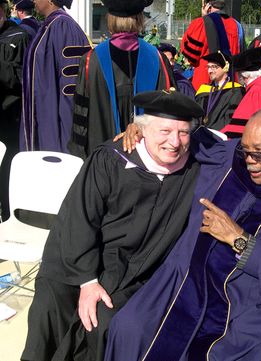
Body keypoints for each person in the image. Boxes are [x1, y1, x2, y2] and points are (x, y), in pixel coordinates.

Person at [104, 107, 261, 361]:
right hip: (185, 282)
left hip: (247, 308)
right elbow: (188, 141)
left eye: (259, 155)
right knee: (128, 328)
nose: (249, 161)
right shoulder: (232, 158)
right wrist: (146, 129)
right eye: (246, 150)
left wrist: (241, 240)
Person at [21, 89, 204, 361]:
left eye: (183, 132)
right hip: (80, 257)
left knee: (102, 320)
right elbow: (79, 218)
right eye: (164, 131)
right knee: (49, 306)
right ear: (142, 130)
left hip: (140, 269)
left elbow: (230, 143)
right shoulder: (111, 160)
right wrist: (87, 280)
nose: (174, 142)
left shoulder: (195, 169)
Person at [68, 0, 175, 160]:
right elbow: (170, 110)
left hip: (102, 164)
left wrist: (81, 160)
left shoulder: (92, 61)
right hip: (148, 163)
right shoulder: (158, 59)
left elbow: (81, 119)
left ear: (110, 20)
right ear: (140, 19)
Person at [19, 0, 92, 153]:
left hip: (56, 130)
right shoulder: (48, 25)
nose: (33, 0)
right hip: (43, 116)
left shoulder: (64, 27)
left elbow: (71, 89)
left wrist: (67, 141)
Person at [0, 0, 29, 220]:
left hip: (9, 119)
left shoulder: (18, 37)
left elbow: (22, 79)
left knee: (7, 173)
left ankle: (9, 216)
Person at [180, 0, 244, 91]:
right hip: (230, 83)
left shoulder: (201, 23)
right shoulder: (238, 26)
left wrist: (204, 18)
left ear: (208, 6)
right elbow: (241, 55)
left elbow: (190, 55)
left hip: (205, 82)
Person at [195, 50, 244, 130]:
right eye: (208, 67)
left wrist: (212, 132)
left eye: (214, 67)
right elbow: (196, 116)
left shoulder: (235, 91)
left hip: (220, 137)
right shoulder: (204, 90)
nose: (209, 71)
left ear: (225, 68)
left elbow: (230, 119)